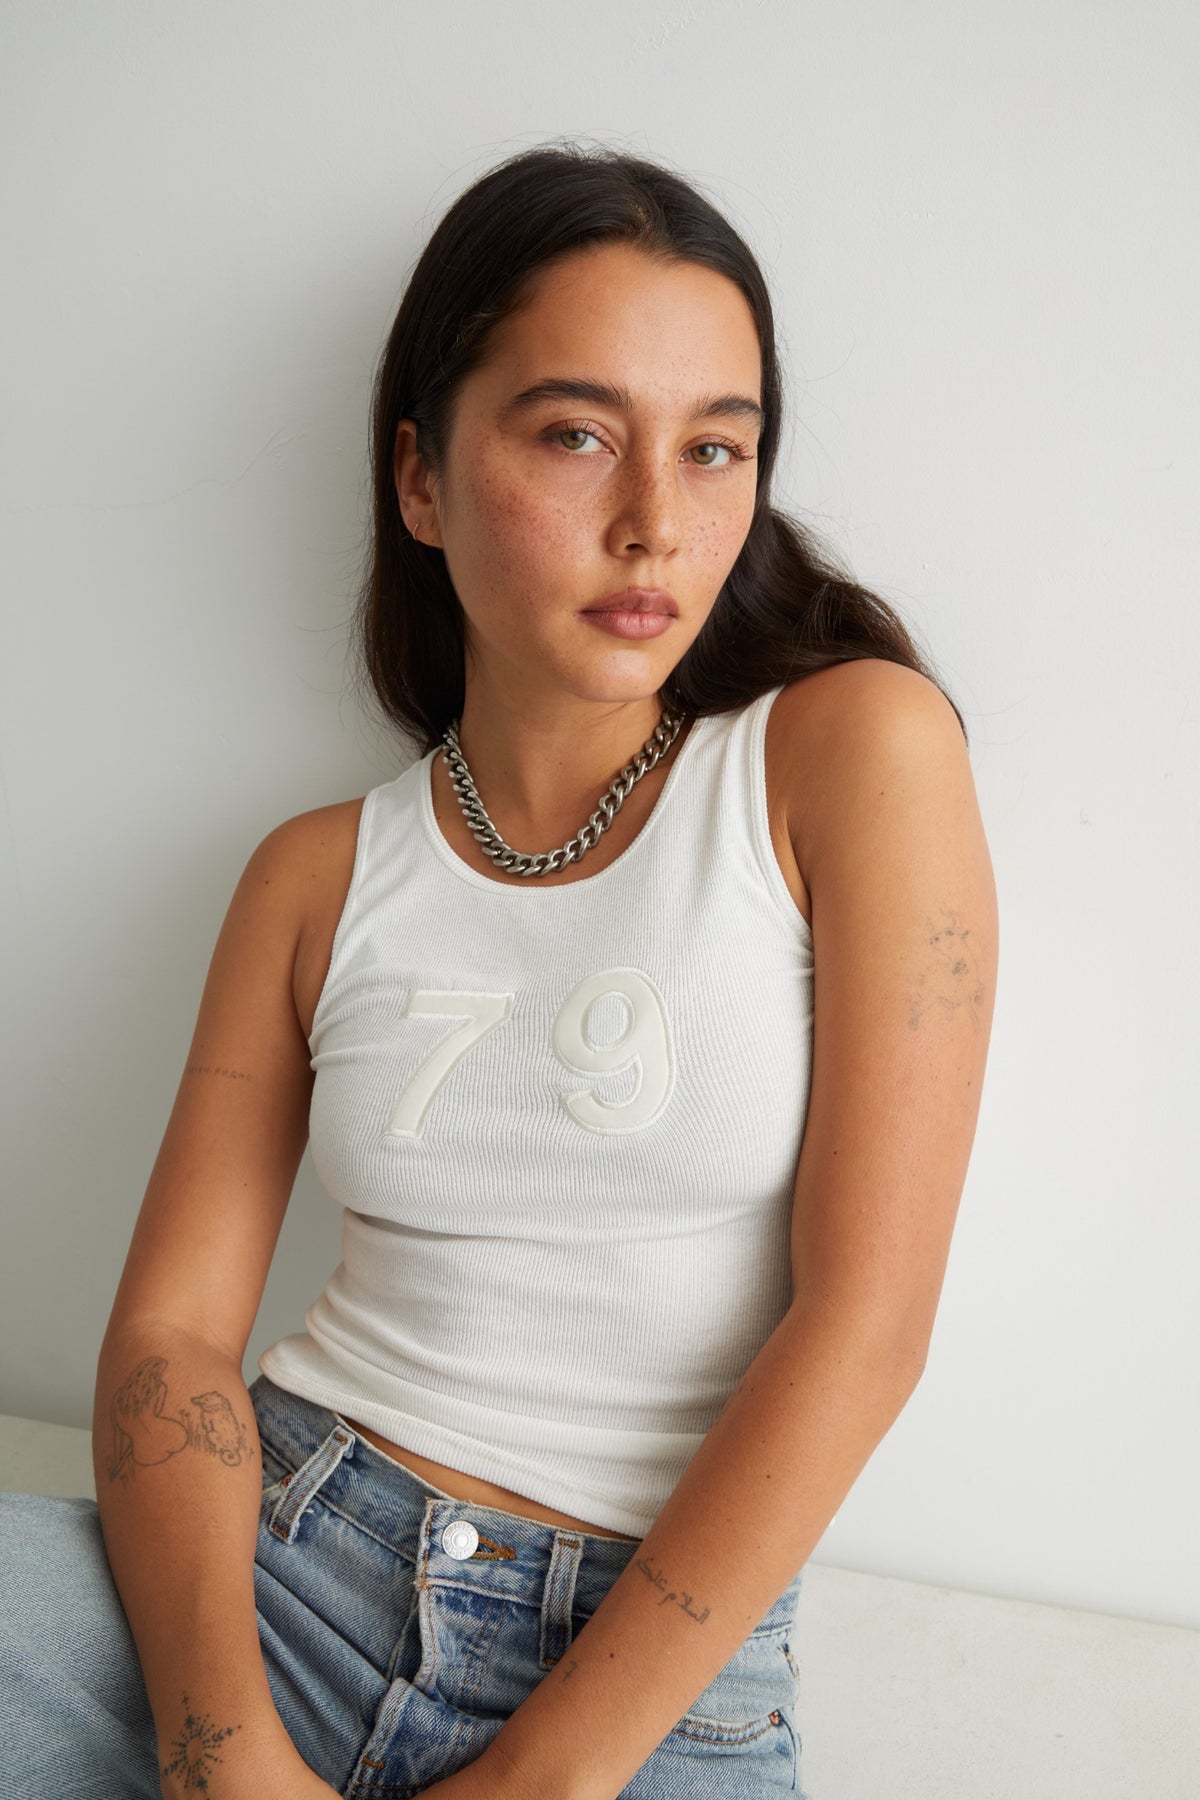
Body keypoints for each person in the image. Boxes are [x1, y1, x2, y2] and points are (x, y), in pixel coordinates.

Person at [0, 141, 997, 1799]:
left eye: (715, 447)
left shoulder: (848, 755)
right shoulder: (314, 876)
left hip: (651, 1684)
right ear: (420, 476)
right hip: (276, 1570)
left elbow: (867, 1328)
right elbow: (171, 1333)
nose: (656, 522)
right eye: (576, 434)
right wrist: (215, 1747)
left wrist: (543, 1780)